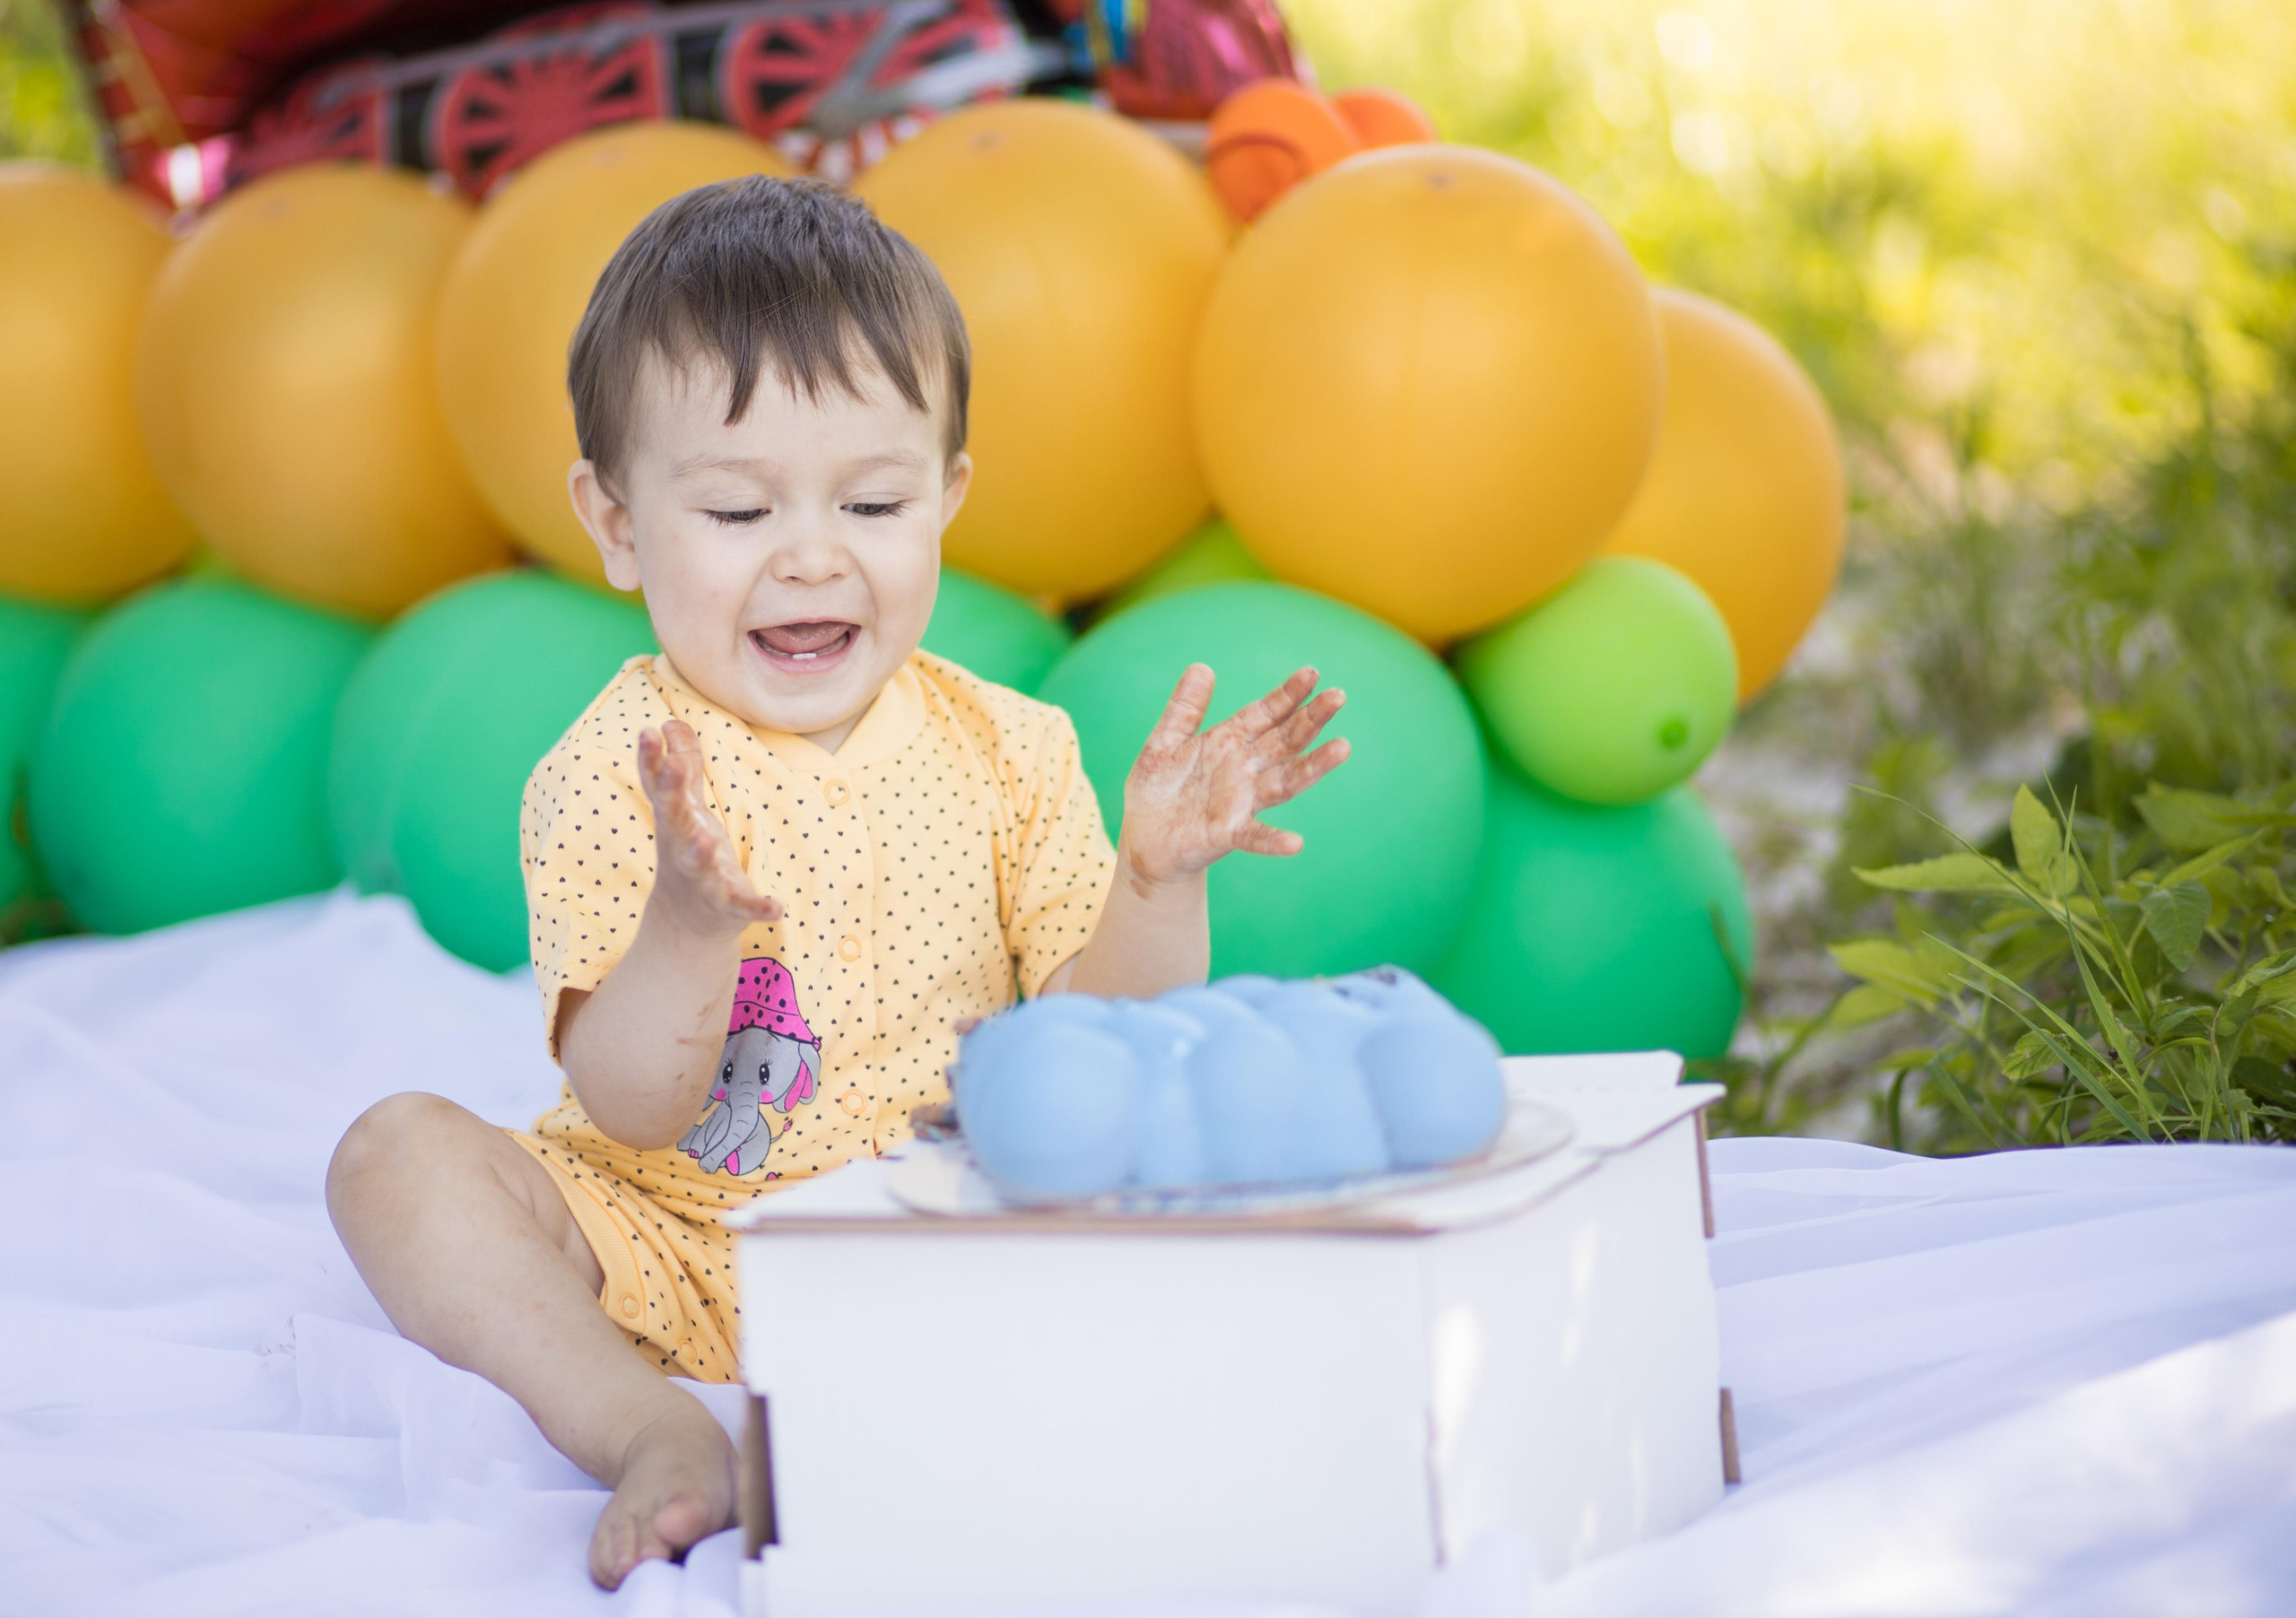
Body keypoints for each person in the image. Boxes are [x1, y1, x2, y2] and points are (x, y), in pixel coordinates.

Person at [325, 175, 1349, 1589]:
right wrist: (687, 931)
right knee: (397, 1160)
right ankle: (650, 1431)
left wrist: (1159, 881)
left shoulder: (1013, 748)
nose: (814, 555)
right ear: (618, 527)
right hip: (668, 1245)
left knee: (1191, 1167)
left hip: (946, 1233)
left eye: (872, 500)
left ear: (947, 499)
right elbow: (628, 1102)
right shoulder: (620, 771)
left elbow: (1097, 1042)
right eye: (738, 511)